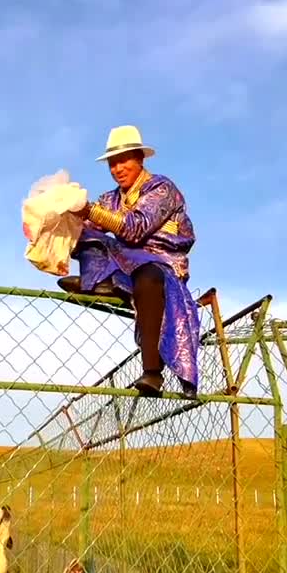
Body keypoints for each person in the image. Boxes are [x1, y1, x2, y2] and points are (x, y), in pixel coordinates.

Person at [58, 125, 200, 398]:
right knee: (85, 235)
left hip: (160, 262)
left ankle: (152, 373)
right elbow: (88, 225)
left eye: (123, 161)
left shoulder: (161, 188)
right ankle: (99, 280)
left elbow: (135, 228)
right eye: (112, 163)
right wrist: (59, 221)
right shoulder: (111, 198)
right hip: (125, 259)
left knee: (148, 278)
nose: (117, 168)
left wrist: (89, 210)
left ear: (140, 159)